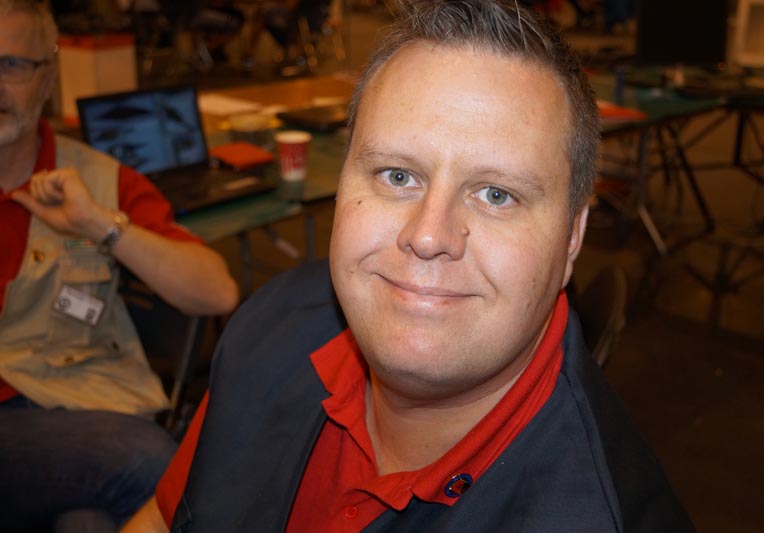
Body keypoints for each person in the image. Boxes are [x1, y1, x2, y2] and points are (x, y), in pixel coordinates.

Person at [125, 0, 694, 531]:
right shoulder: (269, 325)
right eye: (398, 176)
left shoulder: (598, 514)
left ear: (572, 237)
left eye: (496, 194)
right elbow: (164, 515)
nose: (426, 236)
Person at [0, 1, 239, 531]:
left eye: (11, 65)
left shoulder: (98, 181)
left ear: (48, 79)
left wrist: (99, 225)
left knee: (89, 520)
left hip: (72, 411)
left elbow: (216, 292)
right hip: (75, 436)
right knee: (145, 460)